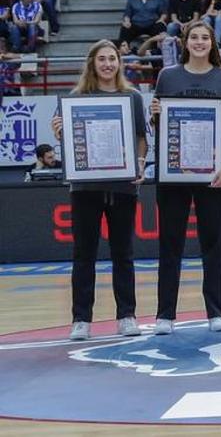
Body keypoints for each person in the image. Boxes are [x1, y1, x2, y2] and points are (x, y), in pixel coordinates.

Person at [51, 41, 147, 340]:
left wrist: (140, 162)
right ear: (92, 63)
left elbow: (141, 138)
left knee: (124, 253)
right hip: (86, 188)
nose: (108, 64)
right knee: (84, 254)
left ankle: (127, 315)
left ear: (119, 63)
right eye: (102, 59)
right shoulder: (75, 98)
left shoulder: (132, 97)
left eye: (113, 59)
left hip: (123, 188)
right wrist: (60, 132)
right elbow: (68, 140)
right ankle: (81, 319)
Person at [150, 21, 221, 335]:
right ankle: (165, 314)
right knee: (170, 244)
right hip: (173, 174)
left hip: (213, 175)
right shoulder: (167, 76)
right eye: (194, 38)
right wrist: (155, 112)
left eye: (205, 37)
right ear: (185, 42)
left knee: (213, 244)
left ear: (212, 43)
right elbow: (159, 125)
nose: (200, 42)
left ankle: (216, 311)